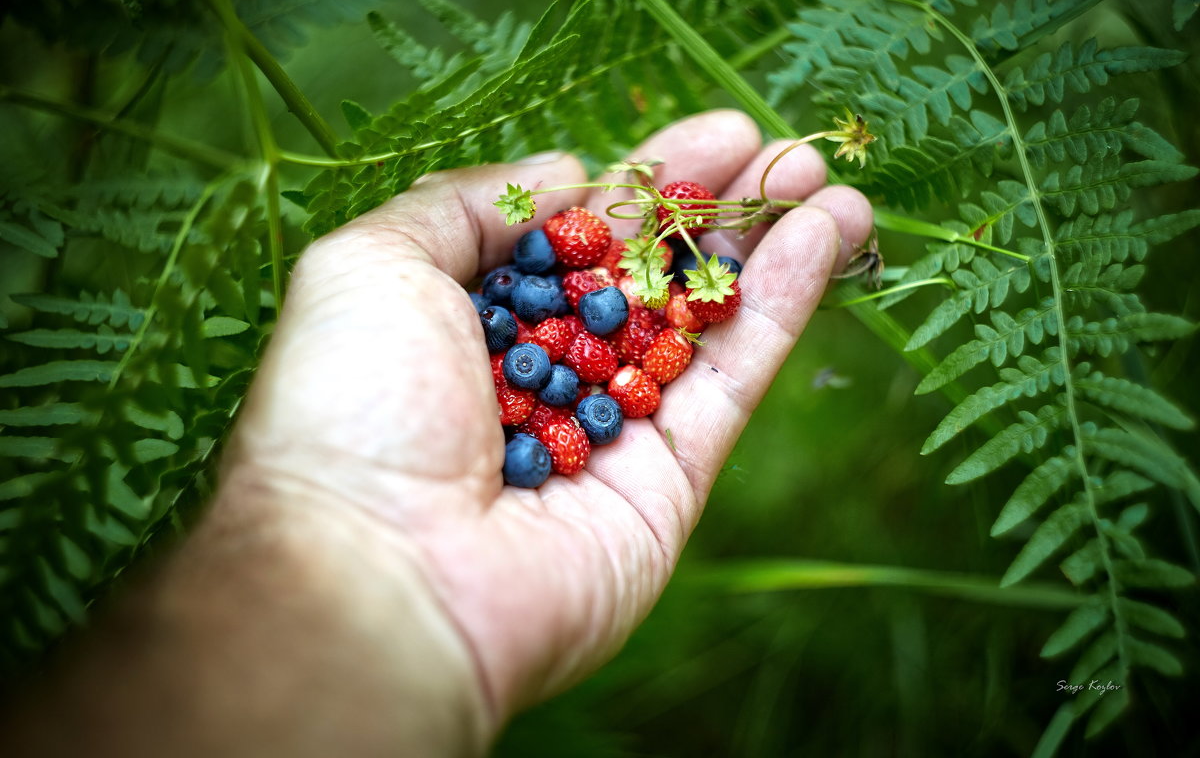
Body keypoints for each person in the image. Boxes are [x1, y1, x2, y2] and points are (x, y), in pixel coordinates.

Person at [3, 111, 872, 756]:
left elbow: (587, 343)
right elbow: (553, 337)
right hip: (570, 388)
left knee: (594, 332)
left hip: (591, 377)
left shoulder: (611, 325)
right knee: (558, 335)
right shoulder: (558, 333)